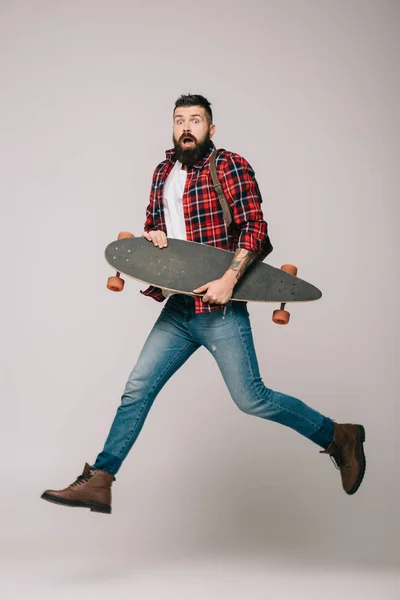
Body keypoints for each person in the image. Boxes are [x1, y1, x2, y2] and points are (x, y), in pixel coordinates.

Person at [41, 94, 366, 514]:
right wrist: (152, 236)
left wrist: (230, 279)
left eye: (196, 120)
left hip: (221, 307)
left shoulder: (229, 165)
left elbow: (255, 227)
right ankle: (101, 480)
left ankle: (338, 435)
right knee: (137, 389)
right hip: (179, 309)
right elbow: (156, 223)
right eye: (180, 120)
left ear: (211, 129)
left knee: (251, 398)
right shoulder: (162, 171)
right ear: (173, 128)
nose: (187, 127)